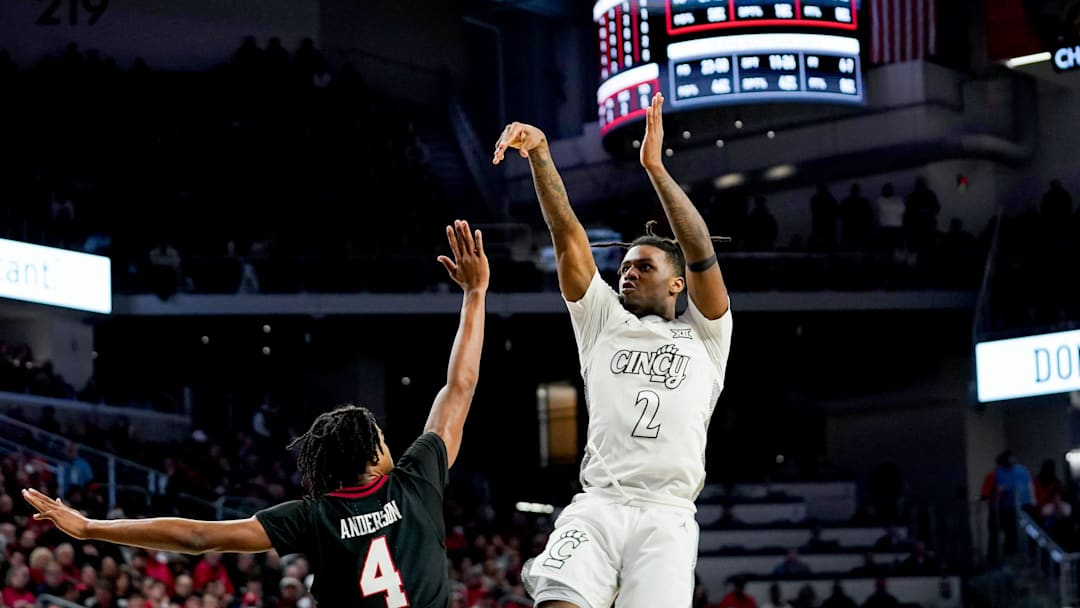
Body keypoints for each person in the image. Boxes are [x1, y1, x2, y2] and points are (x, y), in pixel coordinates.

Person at [22, 220, 490, 607]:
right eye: (385, 441)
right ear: (372, 454)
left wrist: (90, 527)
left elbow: (195, 537)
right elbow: (460, 386)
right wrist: (474, 295)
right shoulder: (418, 480)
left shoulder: (315, 516)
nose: (391, 446)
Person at [493, 92, 733, 608]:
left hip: (666, 515)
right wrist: (540, 154)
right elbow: (567, 238)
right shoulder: (602, 321)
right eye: (624, 266)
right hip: (599, 504)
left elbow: (700, 251)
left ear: (677, 285)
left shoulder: (708, 333)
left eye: (644, 266)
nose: (627, 272)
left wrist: (655, 168)